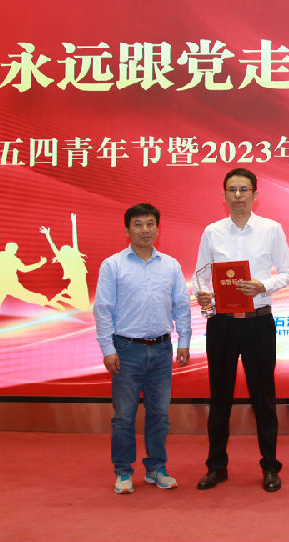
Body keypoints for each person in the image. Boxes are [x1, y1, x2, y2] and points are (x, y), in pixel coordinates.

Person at [193, 168, 289, 492]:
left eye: (244, 189)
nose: (238, 195)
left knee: (263, 397)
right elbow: (200, 276)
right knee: (219, 397)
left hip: (257, 322)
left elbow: (288, 273)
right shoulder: (212, 232)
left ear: (255, 194)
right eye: (232, 190)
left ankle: (270, 467)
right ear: (224, 195)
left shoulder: (271, 229)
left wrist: (263, 285)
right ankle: (216, 467)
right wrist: (204, 294)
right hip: (221, 324)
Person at [93, 203, 192, 494]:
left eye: (150, 224)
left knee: (159, 414)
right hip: (126, 349)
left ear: (158, 229)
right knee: (124, 416)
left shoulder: (171, 265)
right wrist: (107, 348)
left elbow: (181, 306)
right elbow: (103, 309)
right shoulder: (113, 265)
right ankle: (123, 471)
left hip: (161, 349)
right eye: (138, 224)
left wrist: (184, 341)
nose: (145, 230)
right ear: (127, 229)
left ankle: (156, 468)